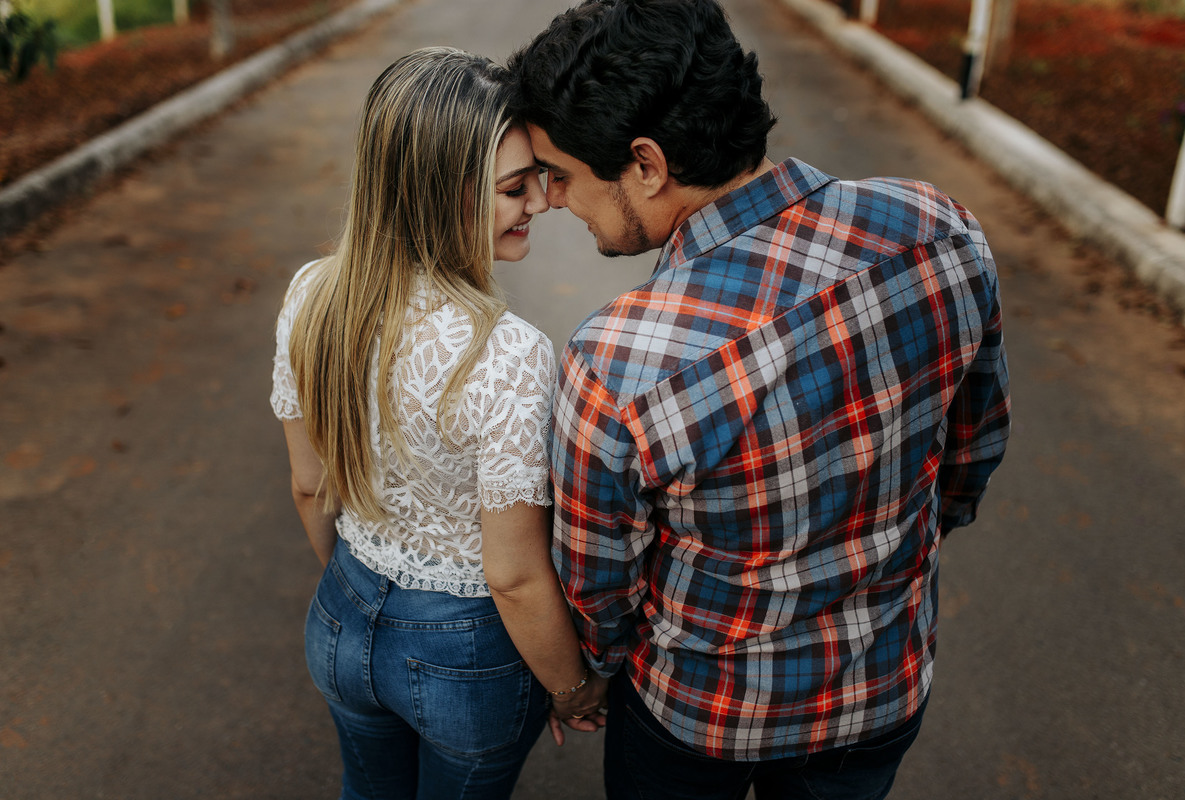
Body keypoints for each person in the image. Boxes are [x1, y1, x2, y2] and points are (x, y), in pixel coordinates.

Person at [506, 1, 1012, 798]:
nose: (557, 201)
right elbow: (972, 450)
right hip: (882, 686)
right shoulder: (939, 230)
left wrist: (596, 673)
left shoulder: (620, 362)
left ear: (646, 163)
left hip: (702, 718)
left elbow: (601, 592)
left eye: (563, 176)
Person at [270, 47, 606, 800]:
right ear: (438, 192)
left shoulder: (313, 295)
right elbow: (514, 574)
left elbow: (308, 485)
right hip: (465, 653)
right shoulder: (510, 354)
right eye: (515, 188)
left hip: (341, 615)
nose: (542, 203)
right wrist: (572, 688)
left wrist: (354, 592)